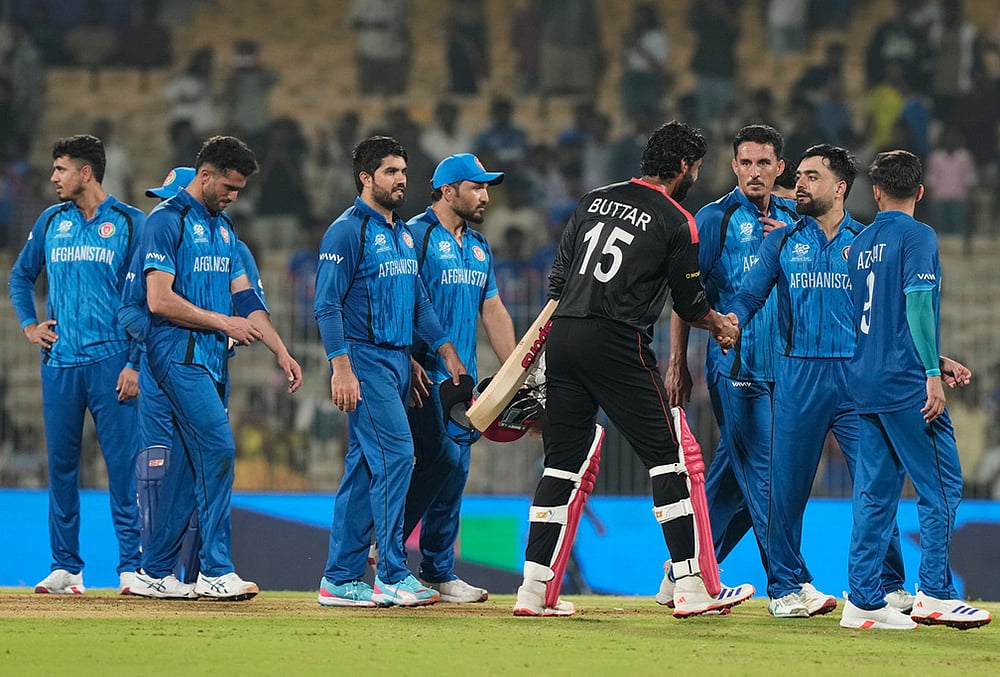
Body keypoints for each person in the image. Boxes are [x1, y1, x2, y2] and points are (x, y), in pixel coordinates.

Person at [513, 120, 754, 618]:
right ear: (685, 166)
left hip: (565, 337)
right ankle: (688, 587)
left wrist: (539, 355)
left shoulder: (592, 200)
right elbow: (689, 304)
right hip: (617, 342)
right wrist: (721, 326)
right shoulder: (677, 219)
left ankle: (532, 592)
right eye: (697, 168)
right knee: (669, 462)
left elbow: (559, 280)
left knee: (561, 464)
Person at [724, 145, 909, 617]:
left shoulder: (868, 244)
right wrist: (732, 321)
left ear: (840, 187)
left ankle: (887, 586)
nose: (799, 184)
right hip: (799, 376)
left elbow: (893, 314)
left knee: (874, 484)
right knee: (785, 490)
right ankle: (784, 589)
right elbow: (749, 294)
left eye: (810, 176)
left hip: (855, 377)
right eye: (799, 175)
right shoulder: (783, 241)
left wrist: (933, 359)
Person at [126, 135, 302, 601]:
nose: (233, 196)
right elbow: (158, 300)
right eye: (227, 186)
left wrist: (280, 351)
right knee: (219, 446)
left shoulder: (225, 232)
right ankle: (214, 569)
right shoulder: (164, 222)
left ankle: (155, 572)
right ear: (204, 176)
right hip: (176, 355)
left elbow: (248, 302)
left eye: (239, 189)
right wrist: (223, 321)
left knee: (186, 468)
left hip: (210, 362)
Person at [840, 149, 992, 630]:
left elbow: (869, 321)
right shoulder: (919, 235)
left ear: (876, 191)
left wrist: (935, 358)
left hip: (864, 380)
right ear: (921, 192)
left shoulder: (858, 244)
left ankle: (863, 599)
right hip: (906, 385)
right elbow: (918, 305)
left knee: (875, 494)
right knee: (942, 486)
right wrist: (930, 373)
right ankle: (935, 593)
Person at [314, 136, 466, 608]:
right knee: (398, 456)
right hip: (364, 360)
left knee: (364, 469)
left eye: (403, 170)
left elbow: (419, 299)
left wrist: (444, 351)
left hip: (400, 362)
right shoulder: (346, 232)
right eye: (390, 172)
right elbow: (326, 305)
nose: (401, 179)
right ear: (366, 178)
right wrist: (341, 368)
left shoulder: (401, 232)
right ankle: (393, 574)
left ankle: (340, 578)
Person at [659, 125, 802, 608]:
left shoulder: (791, 218)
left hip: (784, 369)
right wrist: (678, 360)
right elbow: (685, 294)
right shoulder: (715, 218)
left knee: (737, 478)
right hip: (734, 366)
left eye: (765, 163)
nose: (755, 172)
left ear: (780, 168)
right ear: (734, 165)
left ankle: (685, 571)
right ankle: (787, 584)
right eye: (746, 163)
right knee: (764, 472)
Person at [8, 134, 145, 595]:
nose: (53, 177)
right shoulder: (51, 221)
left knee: (122, 468)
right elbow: (20, 276)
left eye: (61, 168)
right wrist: (30, 324)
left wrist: (135, 363)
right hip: (61, 362)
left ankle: (131, 566)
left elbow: (146, 299)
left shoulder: (131, 222)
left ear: (86, 173)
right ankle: (66, 567)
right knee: (62, 466)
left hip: (112, 362)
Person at [402, 153, 516, 603]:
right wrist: (406, 360)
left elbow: (493, 309)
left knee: (455, 473)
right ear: (449, 191)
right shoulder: (414, 235)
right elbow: (401, 301)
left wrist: (516, 373)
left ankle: (436, 570)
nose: (486, 196)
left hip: (461, 383)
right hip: (421, 373)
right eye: (477, 187)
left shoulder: (479, 245)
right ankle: (385, 548)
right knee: (441, 462)